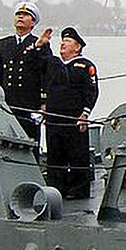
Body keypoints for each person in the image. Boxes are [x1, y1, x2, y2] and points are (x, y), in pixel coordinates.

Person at [42, 26, 99, 200]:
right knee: (55, 154)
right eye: (62, 41)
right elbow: (45, 85)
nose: (63, 44)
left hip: (74, 117)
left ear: (77, 47)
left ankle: (78, 190)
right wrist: (44, 105)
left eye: (67, 41)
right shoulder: (54, 65)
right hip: (54, 116)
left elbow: (92, 91)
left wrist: (85, 114)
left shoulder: (85, 66)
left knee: (77, 155)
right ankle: (56, 188)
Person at [0, 2, 47, 141]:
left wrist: (43, 102)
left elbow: (46, 74)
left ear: (33, 22)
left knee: (29, 140)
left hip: (28, 104)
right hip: (7, 103)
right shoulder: (4, 44)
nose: (20, 18)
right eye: (18, 14)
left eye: (25, 15)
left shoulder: (39, 43)